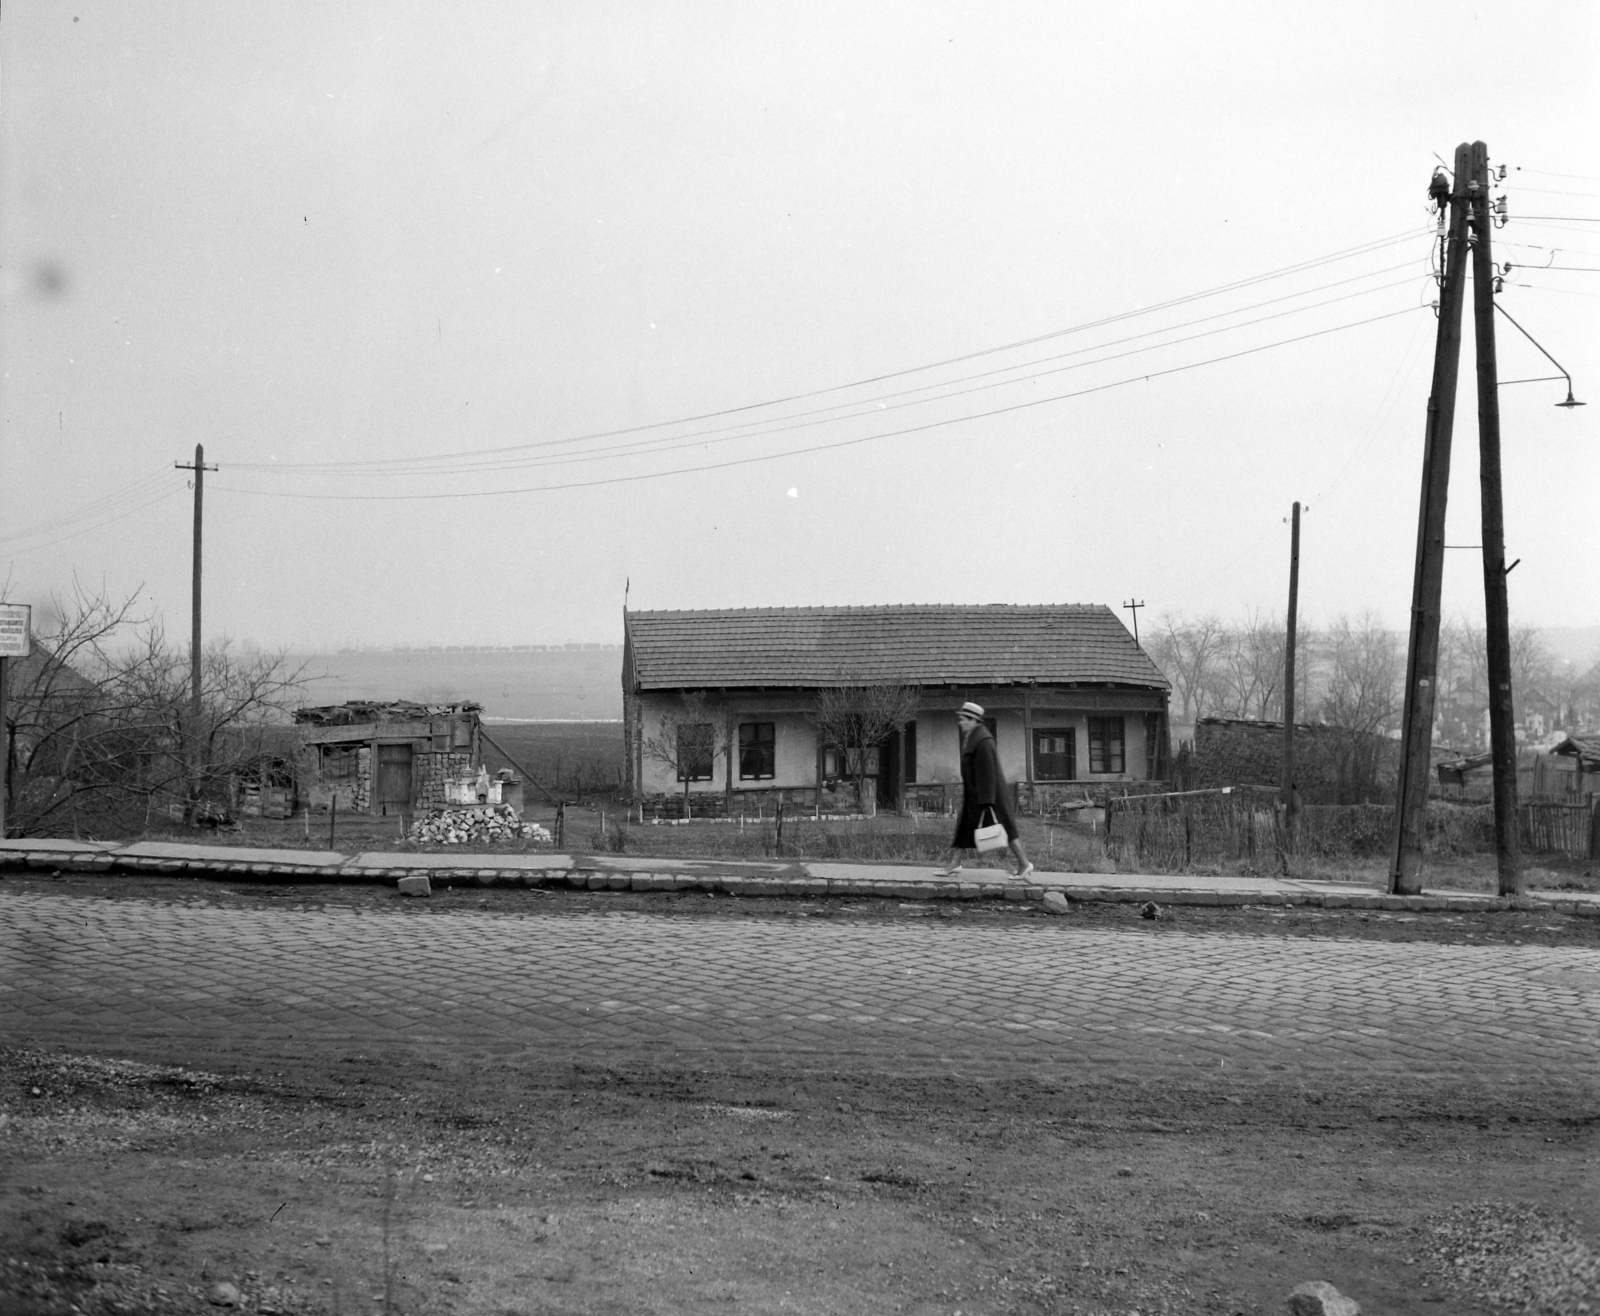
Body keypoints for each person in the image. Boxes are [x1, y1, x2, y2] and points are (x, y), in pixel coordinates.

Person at [936, 701, 1034, 880]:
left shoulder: (983, 740)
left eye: (964, 719)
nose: (961, 722)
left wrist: (986, 801)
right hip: (976, 794)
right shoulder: (973, 736)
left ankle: (1024, 863)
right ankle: (954, 864)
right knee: (964, 827)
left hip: (990, 797)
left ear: (973, 720)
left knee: (1007, 830)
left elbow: (989, 771)